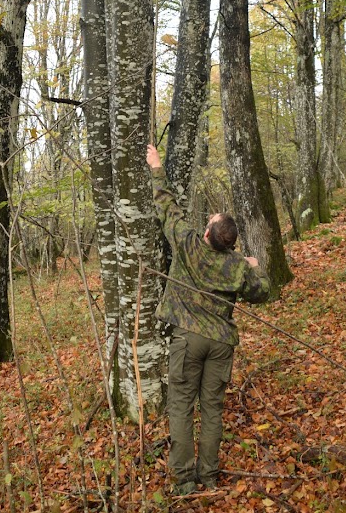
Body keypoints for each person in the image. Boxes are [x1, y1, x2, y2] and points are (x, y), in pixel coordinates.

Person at [146, 144, 271, 496]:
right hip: (220, 342)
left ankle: (185, 480)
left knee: (182, 407)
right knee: (212, 408)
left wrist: (157, 167)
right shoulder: (235, 266)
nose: (207, 221)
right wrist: (252, 267)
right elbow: (262, 291)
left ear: (207, 235)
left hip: (188, 339)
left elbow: (167, 209)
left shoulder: (188, 244)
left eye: (210, 221)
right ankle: (210, 475)